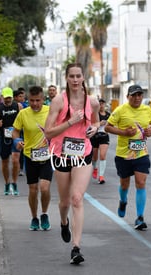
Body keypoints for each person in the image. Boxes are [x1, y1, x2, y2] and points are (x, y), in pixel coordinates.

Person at [44, 63, 99, 265]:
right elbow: (48, 132)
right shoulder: (58, 101)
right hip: (61, 154)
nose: (75, 80)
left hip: (82, 153)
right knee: (65, 201)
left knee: (77, 198)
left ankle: (76, 247)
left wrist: (94, 128)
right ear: (66, 78)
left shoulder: (92, 102)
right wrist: (70, 122)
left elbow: (97, 121)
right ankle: (63, 221)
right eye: (71, 76)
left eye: (78, 76)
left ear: (84, 78)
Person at [105, 84, 151, 231]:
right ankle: (123, 200)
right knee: (124, 184)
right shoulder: (120, 110)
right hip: (124, 155)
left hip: (141, 154)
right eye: (134, 95)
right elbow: (108, 127)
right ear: (128, 96)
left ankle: (140, 217)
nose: (137, 98)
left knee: (141, 183)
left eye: (139, 95)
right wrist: (124, 132)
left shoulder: (147, 110)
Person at [12, 86, 53, 231]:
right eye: (32, 101)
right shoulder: (23, 113)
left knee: (44, 187)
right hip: (30, 156)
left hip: (47, 155)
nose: (35, 104)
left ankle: (44, 213)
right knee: (33, 189)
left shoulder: (50, 111)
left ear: (43, 99)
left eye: (38, 100)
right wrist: (17, 141)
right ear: (27, 100)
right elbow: (15, 131)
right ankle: (34, 217)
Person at [0, 87, 23, 195]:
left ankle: (14, 183)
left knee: (15, 160)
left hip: (16, 137)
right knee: (5, 162)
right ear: (2, 97)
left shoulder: (18, 106)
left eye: (9, 97)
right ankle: (7, 183)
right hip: (4, 138)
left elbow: (24, 120)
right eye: (6, 98)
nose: (8, 100)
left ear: (12, 97)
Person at [91, 98, 111, 184]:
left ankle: (101, 176)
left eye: (103, 104)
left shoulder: (108, 115)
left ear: (105, 105)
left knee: (102, 156)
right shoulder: (94, 114)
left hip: (104, 136)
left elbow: (111, 126)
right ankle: (95, 168)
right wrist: (99, 124)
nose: (101, 105)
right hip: (95, 136)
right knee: (94, 157)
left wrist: (108, 127)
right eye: (100, 104)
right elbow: (90, 125)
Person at [14, 88, 27, 176]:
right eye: (20, 96)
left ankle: (21, 168)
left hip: (23, 131)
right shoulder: (12, 106)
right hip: (14, 130)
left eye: (23, 96)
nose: (22, 98)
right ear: (15, 97)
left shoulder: (25, 106)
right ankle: (17, 166)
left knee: (22, 149)